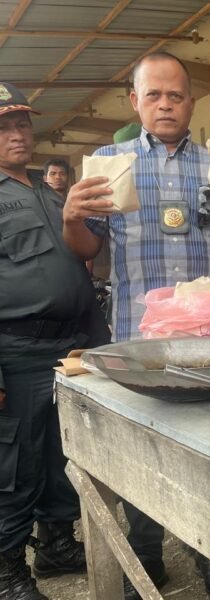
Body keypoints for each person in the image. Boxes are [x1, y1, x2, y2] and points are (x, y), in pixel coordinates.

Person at [61, 51, 210, 599]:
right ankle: (146, 554)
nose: (166, 104)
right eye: (154, 95)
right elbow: (87, 249)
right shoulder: (110, 161)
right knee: (141, 452)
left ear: (191, 102)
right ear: (135, 101)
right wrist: (72, 217)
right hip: (140, 339)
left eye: (176, 95)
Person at [0, 83, 110, 600]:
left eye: (22, 122)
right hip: (17, 352)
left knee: (62, 455)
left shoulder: (50, 194)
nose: (17, 134)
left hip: (69, 347)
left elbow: (78, 266)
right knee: (16, 464)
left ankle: (56, 544)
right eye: (3, 126)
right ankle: (7, 570)